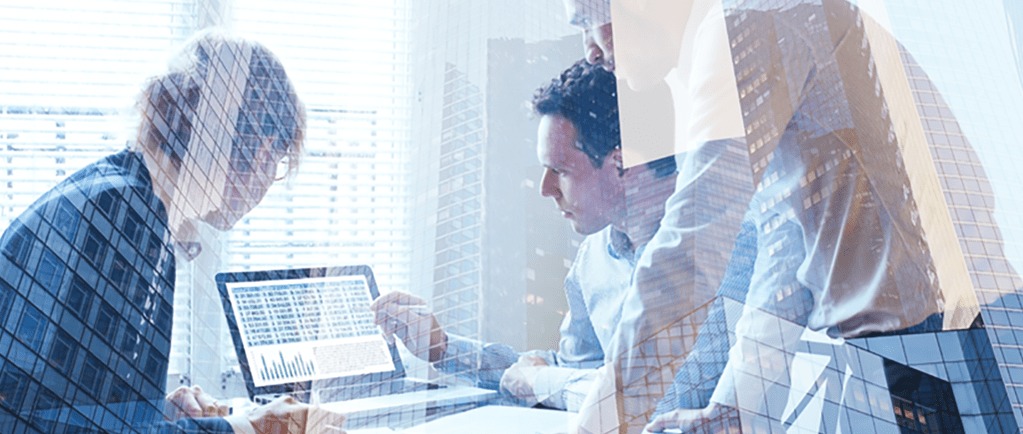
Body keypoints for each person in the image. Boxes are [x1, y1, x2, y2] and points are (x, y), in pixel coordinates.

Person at [562, 0, 975, 432]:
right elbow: (786, 242)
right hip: (918, 345)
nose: (589, 49)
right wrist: (735, 407)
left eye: (588, 20)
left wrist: (597, 426)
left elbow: (690, 253)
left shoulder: (745, 24)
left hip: (927, 346)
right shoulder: (751, 23)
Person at [0, 31, 342, 433]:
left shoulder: (118, 193)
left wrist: (153, 411)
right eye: (279, 161)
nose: (270, 179)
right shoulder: (126, 216)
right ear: (264, 149)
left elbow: (61, 402)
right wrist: (249, 428)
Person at [370, 59, 678, 411]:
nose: (546, 188)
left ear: (621, 164)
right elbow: (568, 374)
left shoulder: (711, 246)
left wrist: (543, 381)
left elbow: (663, 396)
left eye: (559, 170)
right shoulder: (594, 258)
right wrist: (443, 348)